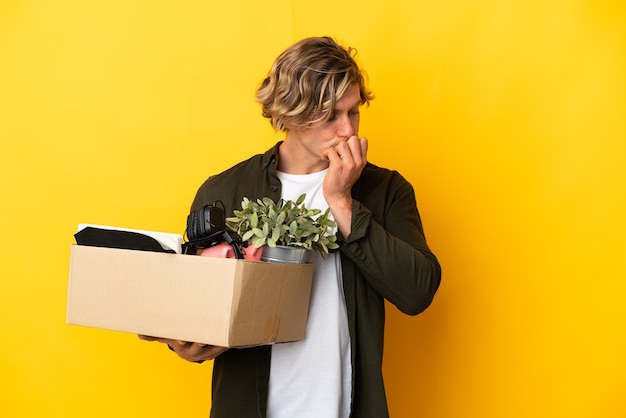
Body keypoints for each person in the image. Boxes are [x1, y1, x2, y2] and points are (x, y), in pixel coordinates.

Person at [140, 36, 441, 418]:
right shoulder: (224, 191)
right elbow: (195, 302)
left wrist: (342, 201)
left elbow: (417, 293)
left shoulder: (385, 190)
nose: (348, 130)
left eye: (354, 112)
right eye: (331, 115)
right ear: (290, 114)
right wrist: (182, 342)